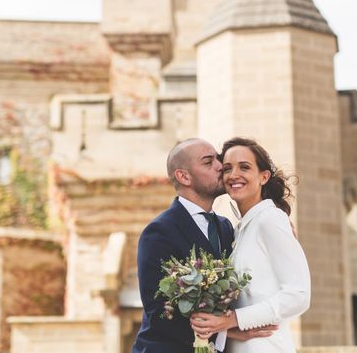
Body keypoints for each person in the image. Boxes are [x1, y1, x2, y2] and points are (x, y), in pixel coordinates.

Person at [133, 138, 276, 353]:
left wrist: (275, 225)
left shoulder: (226, 227)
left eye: (218, 159)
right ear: (184, 176)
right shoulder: (159, 232)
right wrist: (225, 331)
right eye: (209, 162)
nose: (221, 167)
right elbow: (160, 312)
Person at [190, 137, 311, 353]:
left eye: (244, 167)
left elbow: (299, 295)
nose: (234, 175)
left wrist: (232, 319)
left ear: (264, 176)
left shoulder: (270, 219)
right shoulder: (240, 229)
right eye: (227, 168)